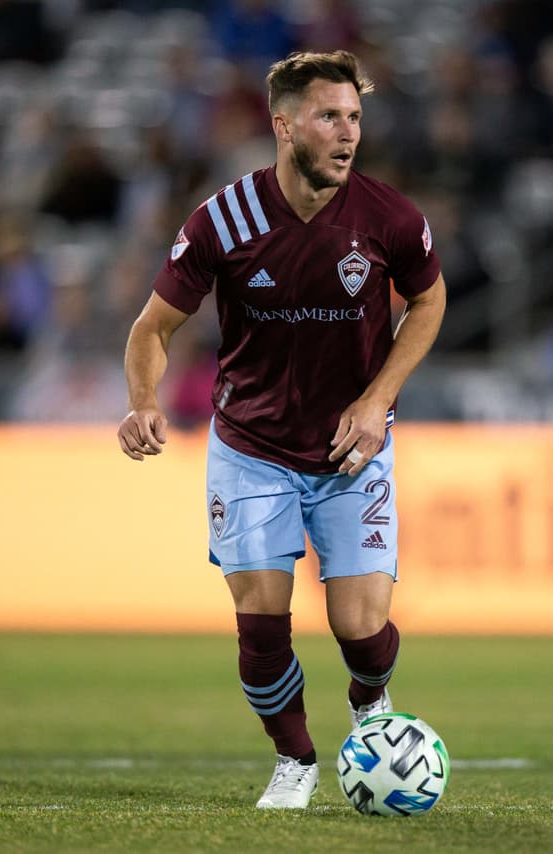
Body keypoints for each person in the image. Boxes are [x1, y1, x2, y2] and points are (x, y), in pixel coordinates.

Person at [116, 50, 446, 809]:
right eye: (330, 116)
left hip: (350, 451)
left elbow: (429, 303)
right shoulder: (222, 221)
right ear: (284, 123)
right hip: (251, 450)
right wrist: (142, 402)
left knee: (361, 630)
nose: (348, 133)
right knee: (261, 622)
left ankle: (371, 700)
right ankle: (295, 760)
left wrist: (377, 399)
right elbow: (151, 327)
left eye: (355, 117)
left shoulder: (390, 218)